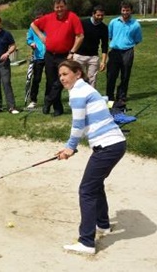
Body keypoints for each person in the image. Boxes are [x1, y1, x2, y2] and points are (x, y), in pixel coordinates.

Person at [56, 60, 126, 255]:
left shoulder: (78, 92)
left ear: (78, 73)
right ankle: (102, 225)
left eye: (65, 74)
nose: (62, 78)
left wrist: (70, 147)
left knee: (86, 191)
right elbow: (88, 122)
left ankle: (86, 242)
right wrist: (72, 147)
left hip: (108, 146)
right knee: (95, 185)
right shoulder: (86, 88)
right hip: (115, 144)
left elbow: (77, 124)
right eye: (60, 75)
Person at [31, 0, 84, 116]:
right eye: (57, 7)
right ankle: (57, 108)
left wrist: (72, 52)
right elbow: (33, 25)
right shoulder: (48, 17)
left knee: (61, 81)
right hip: (49, 55)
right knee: (51, 81)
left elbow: (80, 36)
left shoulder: (72, 17)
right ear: (53, 7)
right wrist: (41, 35)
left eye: (61, 6)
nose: (59, 9)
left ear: (66, 6)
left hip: (64, 55)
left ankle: (48, 100)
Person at [106, 1, 142, 104]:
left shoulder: (136, 24)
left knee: (125, 75)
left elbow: (137, 39)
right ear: (120, 10)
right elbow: (110, 35)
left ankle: (121, 96)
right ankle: (110, 97)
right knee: (111, 75)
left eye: (127, 10)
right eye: (123, 10)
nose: (125, 12)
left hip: (128, 51)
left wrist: (127, 44)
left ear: (131, 11)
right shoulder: (114, 22)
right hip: (114, 51)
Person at [75, 5, 108, 88]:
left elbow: (104, 45)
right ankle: (77, 99)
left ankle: (91, 100)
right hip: (79, 55)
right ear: (93, 14)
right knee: (77, 79)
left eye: (102, 15)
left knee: (92, 80)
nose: (100, 17)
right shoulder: (82, 23)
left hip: (93, 57)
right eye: (98, 15)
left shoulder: (104, 28)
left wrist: (103, 61)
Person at [25, 11, 46, 109]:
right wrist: (31, 43)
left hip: (49, 56)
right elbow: (28, 39)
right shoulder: (32, 28)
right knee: (36, 79)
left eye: (40, 18)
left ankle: (49, 98)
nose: (38, 20)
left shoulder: (48, 27)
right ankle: (33, 100)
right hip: (38, 57)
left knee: (51, 79)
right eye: (37, 18)